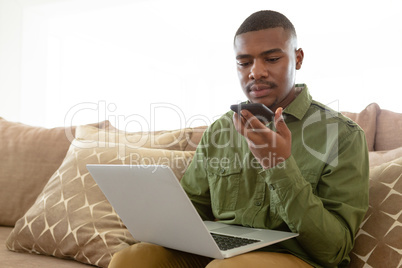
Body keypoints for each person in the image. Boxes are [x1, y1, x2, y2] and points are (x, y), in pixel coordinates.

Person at [109, 10, 369, 268]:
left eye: (272, 58)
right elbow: (193, 211)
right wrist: (156, 219)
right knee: (131, 259)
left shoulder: (343, 135)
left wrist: (279, 165)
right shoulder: (221, 130)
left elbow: (334, 249)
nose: (256, 72)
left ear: (298, 58)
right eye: (244, 63)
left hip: (297, 258)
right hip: (220, 253)